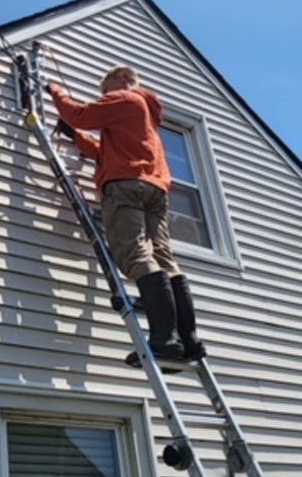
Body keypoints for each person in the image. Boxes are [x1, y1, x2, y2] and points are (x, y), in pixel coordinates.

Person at [47, 65, 206, 363]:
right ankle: (189, 339)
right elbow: (105, 153)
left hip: (127, 188)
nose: (105, 96)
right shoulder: (146, 117)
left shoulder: (125, 98)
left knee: (135, 254)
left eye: (105, 90)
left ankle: (165, 339)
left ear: (121, 79)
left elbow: (79, 114)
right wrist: (75, 137)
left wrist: (56, 92)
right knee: (163, 257)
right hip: (155, 191)